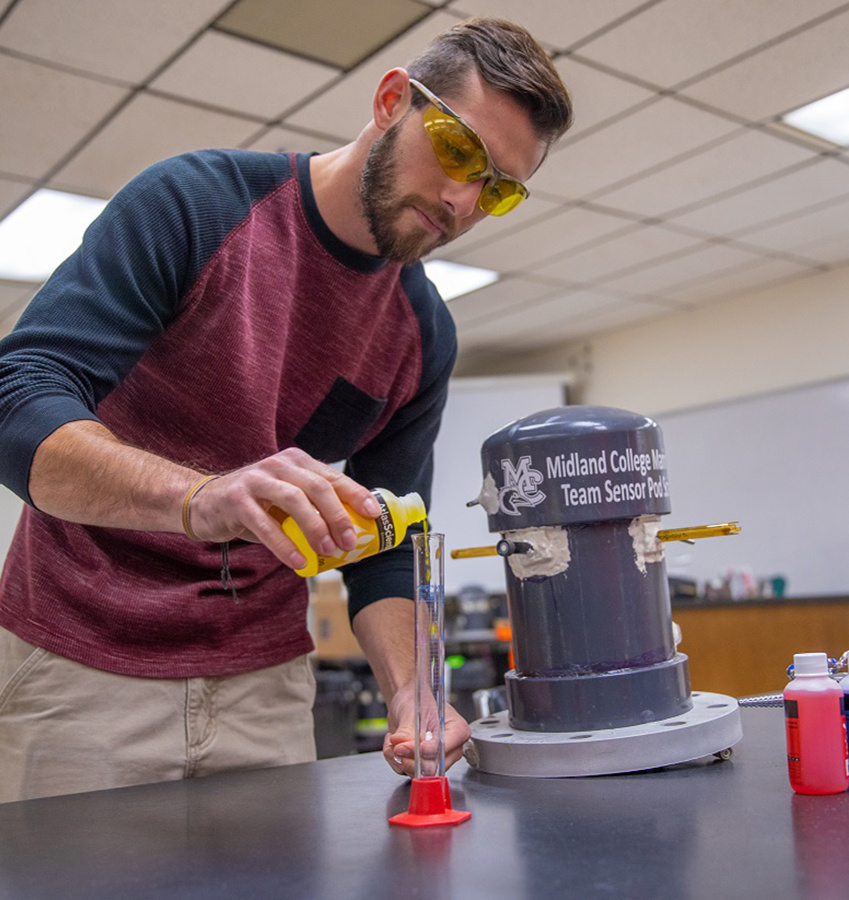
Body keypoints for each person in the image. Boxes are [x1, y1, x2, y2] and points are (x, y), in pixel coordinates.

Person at [0, 17, 573, 803]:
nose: (461, 199)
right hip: (80, 666)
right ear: (391, 100)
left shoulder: (423, 333)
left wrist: (409, 689)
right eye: (458, 149)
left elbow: (385, 540)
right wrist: (199, 498)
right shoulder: (193, 206)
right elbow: (19, 397)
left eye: (496, 188)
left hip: (264, 687)